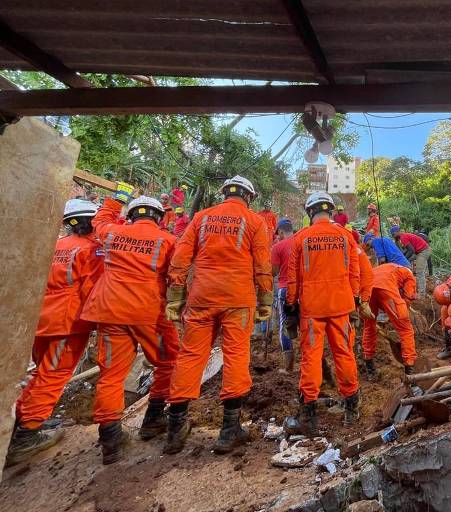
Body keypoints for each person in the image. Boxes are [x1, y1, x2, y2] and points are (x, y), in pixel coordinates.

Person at [164, 175, 272, 455]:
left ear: (224, 193)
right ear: (248, 196)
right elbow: (262, 264)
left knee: (190, 355)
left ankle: (175, 429)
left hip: (202, 296)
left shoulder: (201, 217)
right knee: (236, 355)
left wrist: (175, 297)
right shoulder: (255, 221)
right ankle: (229, 430)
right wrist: (265, 300)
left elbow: (180, 257)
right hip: (238, 300)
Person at [79, 189, 179, 464]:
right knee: (168, 362)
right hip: (148, 312)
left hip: (110, 310)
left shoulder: (111, 232)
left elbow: (99, 219)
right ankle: (154, 418)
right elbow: (177, 275)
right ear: (159, 217)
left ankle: (110, 440)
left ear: (131, 215)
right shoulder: (168, 240)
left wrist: (116, 197)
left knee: (111, 375)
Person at [7, 200, 104, 466]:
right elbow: (92, 289)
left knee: (41, 372)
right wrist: (98, 321)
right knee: (53, 375)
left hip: (41, 316)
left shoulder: (56, 245)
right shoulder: (92, 250)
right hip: (67, 321)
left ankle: (21, 422)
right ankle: (26, 438)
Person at [284, 191, 362, 435]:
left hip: (312, 308)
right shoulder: (346, 236)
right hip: (340, 306)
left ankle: (307, 417)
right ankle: (352, 409)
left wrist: (290, 305)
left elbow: (292, 277)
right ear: (330, 211)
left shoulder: (301, 238)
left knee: (311, 358)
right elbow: (354, 273)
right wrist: (356, 300)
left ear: (310, 212)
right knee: (344, 354)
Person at [361, 263, 418, 379]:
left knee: (369, 327)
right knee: (406, 329)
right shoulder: (409, 275)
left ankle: (370, 368)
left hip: (367, 290)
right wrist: (400, 315)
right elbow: (408, 296)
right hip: (386, 288)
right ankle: (410, 371)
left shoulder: (387, 268)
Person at [271, 218, 297, 372]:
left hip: (285, 289)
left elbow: (273, 272)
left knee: (284, 325)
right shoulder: (302, 241)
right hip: (303, 289)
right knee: (307, 326)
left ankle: (288, 367)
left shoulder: (277, 247)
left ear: (280, 231)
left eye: (278, 233)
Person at [390, 226, 432, 297]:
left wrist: (404, 258)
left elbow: (411, 250)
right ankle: (409, 280)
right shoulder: (400, 238)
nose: (393, 236)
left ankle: (421, 294)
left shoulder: (403, 237)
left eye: (393, 234)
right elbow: (408, 250)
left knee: (419, 271)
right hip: (417, 251)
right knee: (406, 263)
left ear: (397, 232)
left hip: (423, 251)